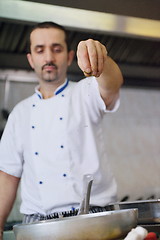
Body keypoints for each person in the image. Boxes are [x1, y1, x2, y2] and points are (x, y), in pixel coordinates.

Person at [0, 21, 123, 238]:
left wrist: (101, 59)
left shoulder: (86, 92)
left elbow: (112, 83)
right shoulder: (20, 113)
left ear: (68, 56)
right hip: (38, 225)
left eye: (56, 49)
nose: (48, 57)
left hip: (94, 218)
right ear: (31, 59)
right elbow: (7, 177)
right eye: (40, 50)